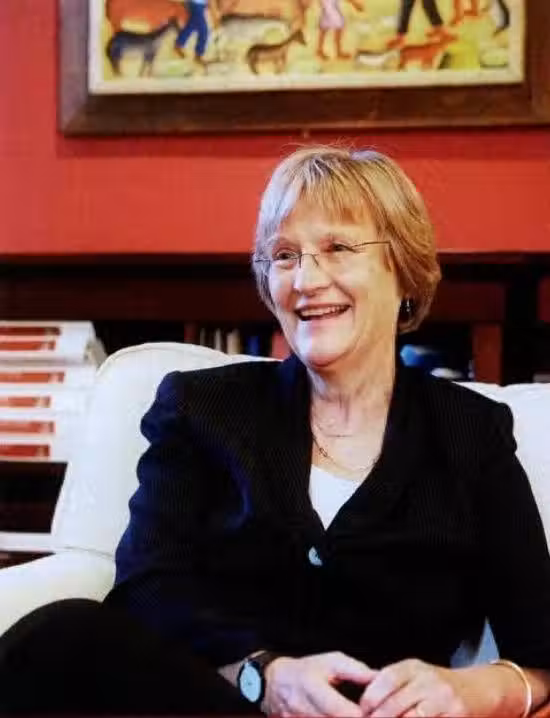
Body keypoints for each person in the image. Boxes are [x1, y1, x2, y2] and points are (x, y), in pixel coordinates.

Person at [2, 145, 550, 716]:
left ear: (403, 271)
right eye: (285, 256)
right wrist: (263, 676)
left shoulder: (470, 432)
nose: (306, 279)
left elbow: (540, 644)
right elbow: (146, 589)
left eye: (338, 248)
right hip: (221, 706)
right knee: (60, 637)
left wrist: (470, 690)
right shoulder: (203, 408)